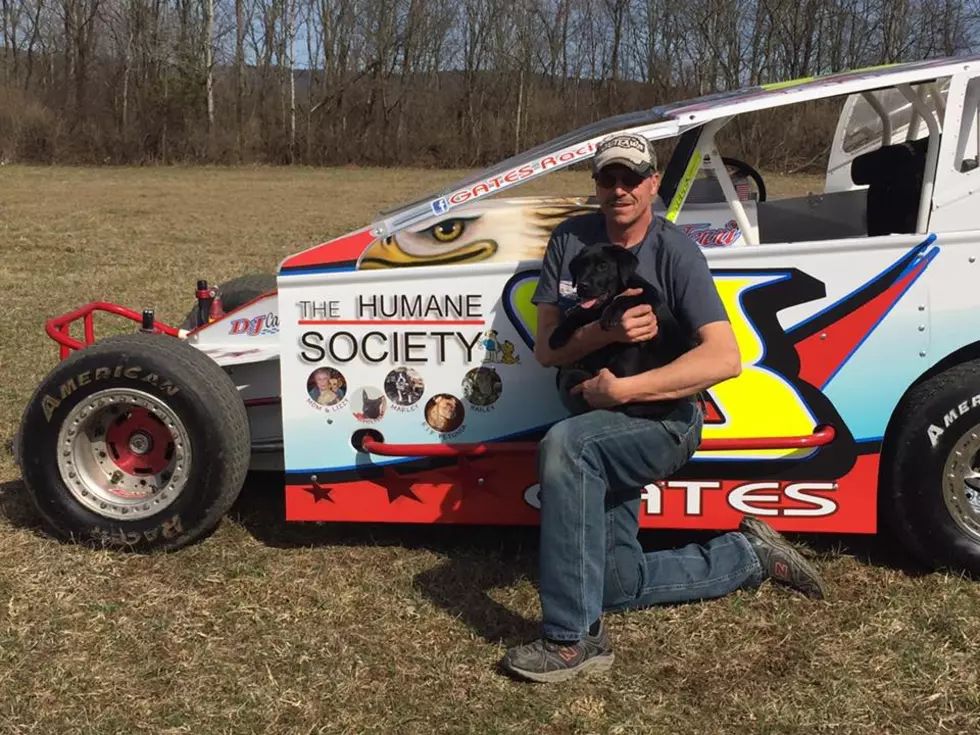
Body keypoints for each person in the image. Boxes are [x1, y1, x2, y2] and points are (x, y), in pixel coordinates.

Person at [500, 133, 827, 684]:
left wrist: (624, 391)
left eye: (632, 178)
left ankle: (570, 640)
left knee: (566, 446)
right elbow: (546, 347)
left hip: (666, 422)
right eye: (609, 178)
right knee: (611, 584)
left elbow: (725, 358)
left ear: (652, 183)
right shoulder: (571, 241)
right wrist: (606, 330)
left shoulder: (675, 249)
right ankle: (747, 557)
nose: (620, 189)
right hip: (600, 419)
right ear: (597, 185)